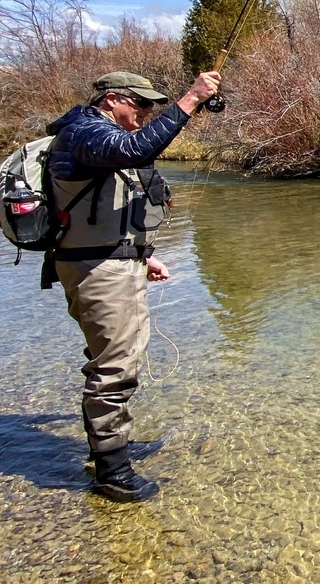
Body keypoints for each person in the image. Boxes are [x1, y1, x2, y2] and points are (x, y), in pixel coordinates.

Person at [45, 69, 220, 502]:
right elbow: (137, 148)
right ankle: (112, 472)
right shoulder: (86, 133)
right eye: (140, 103)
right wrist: (191, 98)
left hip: (111, 262)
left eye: (150, 105)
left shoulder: (95, 135)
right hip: (98, 271)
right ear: (112, 100)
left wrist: (140, 254)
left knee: (115, 358)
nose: (145, 111)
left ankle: (110, 447)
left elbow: (105, 210)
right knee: (115, 367)